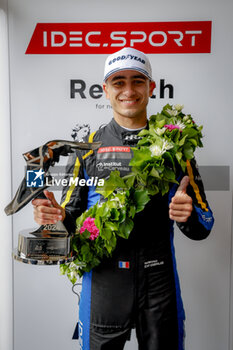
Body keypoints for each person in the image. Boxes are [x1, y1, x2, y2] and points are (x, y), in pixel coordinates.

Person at [32, 47, 214, 350]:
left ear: (151, 87)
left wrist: (189, 214)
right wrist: (55, 217)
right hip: (103, 280)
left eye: (137, 81)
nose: (128, 90)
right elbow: (71, 217)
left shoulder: (175, 146)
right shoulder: (87, 147)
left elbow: (204, 225)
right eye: (118, 82)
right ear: (105, 89)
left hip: (159, 280)